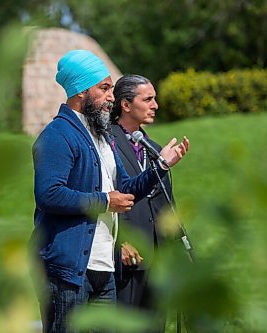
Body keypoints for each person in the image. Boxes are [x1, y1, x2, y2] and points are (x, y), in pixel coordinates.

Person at [31, 50, 189, 333]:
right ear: (81, 92)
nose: (111, 97)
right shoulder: (57, 135)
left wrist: (162, 165)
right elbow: (49, 194)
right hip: (67, 270)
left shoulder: (101, 137)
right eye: (104, 88)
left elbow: (125, 188)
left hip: (104, 267)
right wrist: (104, 201)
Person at [110, 74, 189, 332]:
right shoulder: (105, 143)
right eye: (148, 99)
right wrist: (119, 240)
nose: (155, 105)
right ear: (125, 104)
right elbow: (104, 194)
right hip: (127, 257)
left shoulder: (155, 149)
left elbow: (166, 203)